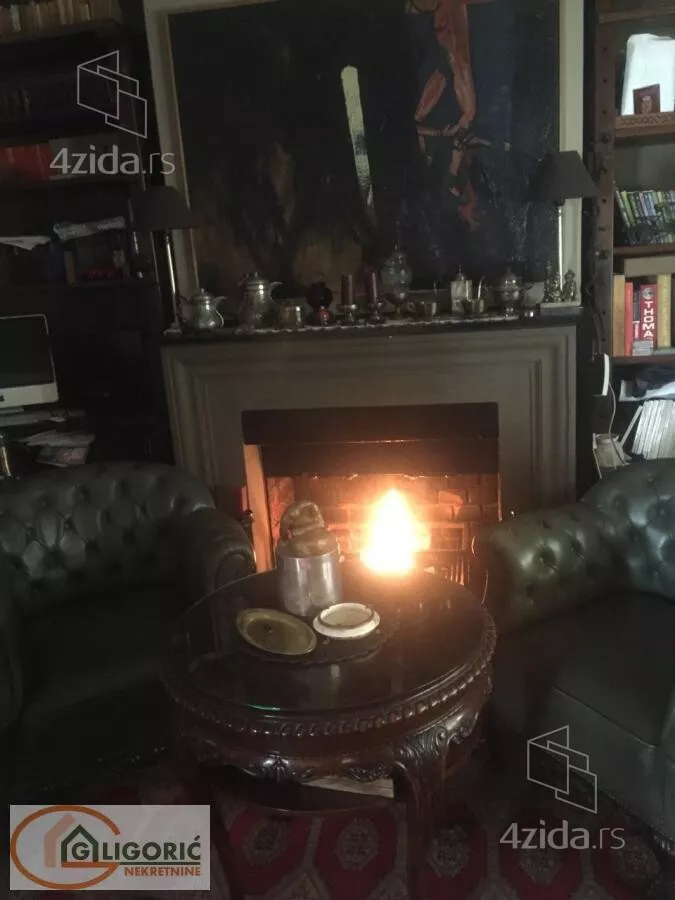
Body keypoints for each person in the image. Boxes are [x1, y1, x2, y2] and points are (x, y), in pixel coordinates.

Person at [409, 0, 494, 228]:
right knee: (455, 59)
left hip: (435, 113)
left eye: (473, 218)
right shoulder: (467, 185)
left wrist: (446, 134)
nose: (477, 212)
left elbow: (422, 134)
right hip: (449, 111)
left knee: (451, 61)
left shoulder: (449, 191)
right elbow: (465, 147)